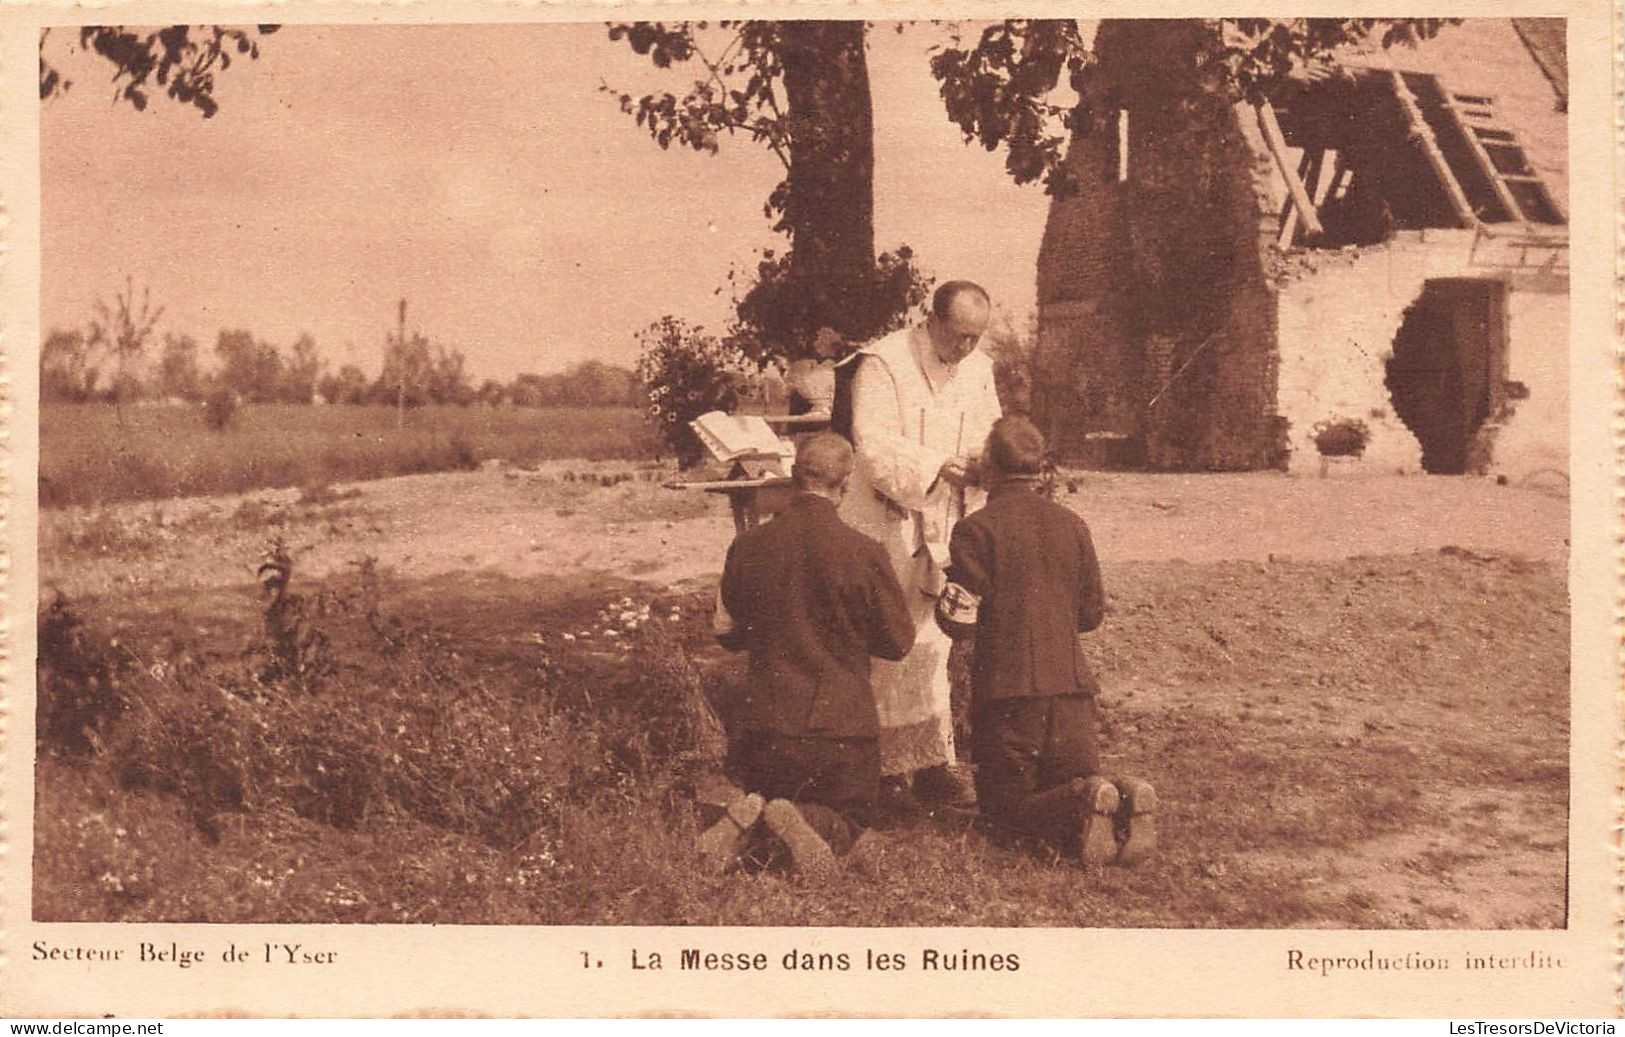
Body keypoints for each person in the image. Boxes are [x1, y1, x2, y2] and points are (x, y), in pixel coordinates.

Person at [943, 416, 1157, 865]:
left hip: (1008, 696)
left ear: (990, 466)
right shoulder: (1072, 524)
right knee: (1062, 785)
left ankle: (1085, 799)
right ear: (1039, 468)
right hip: (1073, 694)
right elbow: (1091, 613)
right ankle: (1116, 794)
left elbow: (960, 623)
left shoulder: (975, 530)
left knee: (1002, 815)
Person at [701, 432, 916, 875]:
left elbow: (726, 632)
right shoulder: (866, 552)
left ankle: (755, 815)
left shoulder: (748, 546)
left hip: (767, 734)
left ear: (794, 477)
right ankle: (795, 820)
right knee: (852, 822)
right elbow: (898, 642)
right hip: (843, 734)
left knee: (778, 797)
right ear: (846, 482)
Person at [838, 280, 1004, 805]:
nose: (966, 350)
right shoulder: (884, 363)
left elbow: (990, 427)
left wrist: (984, 461)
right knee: (888, 638)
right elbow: (872, 442)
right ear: (930, 320)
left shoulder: (978, 367)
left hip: (951, 517)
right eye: (958, 337)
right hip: (894, 518)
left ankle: (932, 760)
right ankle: (881, 768)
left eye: (976, 338)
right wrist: (936, 467)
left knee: (936, 642)